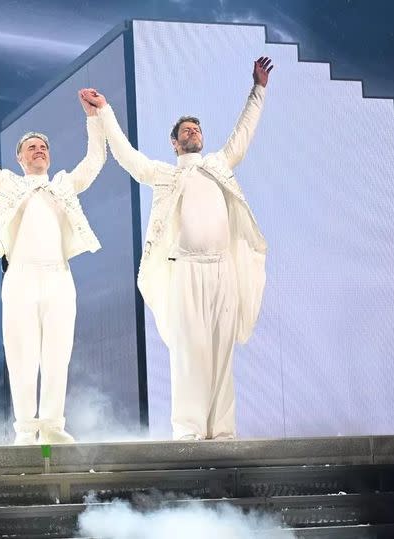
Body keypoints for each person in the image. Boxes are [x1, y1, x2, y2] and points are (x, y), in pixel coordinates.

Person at [82, 57, 274, 441]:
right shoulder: (166, 175)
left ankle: (221, 432)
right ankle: (187, 431)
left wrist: (258, 89)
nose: (194, 132)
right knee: (189, 353)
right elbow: (127, 157)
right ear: (175, 142)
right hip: (186, 270)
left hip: (222, 271)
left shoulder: (219, 165)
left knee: (221, 352)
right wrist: (104, 113)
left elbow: (243, 133)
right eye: (186, 130)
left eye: (197, 128)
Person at [0, 87, 106, 445]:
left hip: (58, 277)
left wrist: (94, 118)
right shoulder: (10, 185)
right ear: (20, 159)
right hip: (20, 278)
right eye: (31, 147)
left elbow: (94, 163)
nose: (39, 151)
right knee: (22, 355)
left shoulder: (63, 186)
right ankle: (27, 430)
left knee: (57, 355)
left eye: (43, 147)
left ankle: (53, 426)